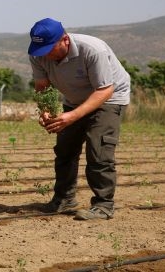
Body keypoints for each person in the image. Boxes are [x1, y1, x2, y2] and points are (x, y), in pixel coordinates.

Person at [27, 18, 130, 220]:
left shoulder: (92, 50)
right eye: (41, 49)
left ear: (64, 39)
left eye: (49, 48)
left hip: (108, 98)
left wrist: (72, 116)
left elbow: (105, 89)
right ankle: (64, 199)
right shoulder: (38, 54)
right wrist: (45, 110)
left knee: (98, 149)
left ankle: (103, 205)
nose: (45, 54)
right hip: (74, 99)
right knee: (65, 149)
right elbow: (42, 86)